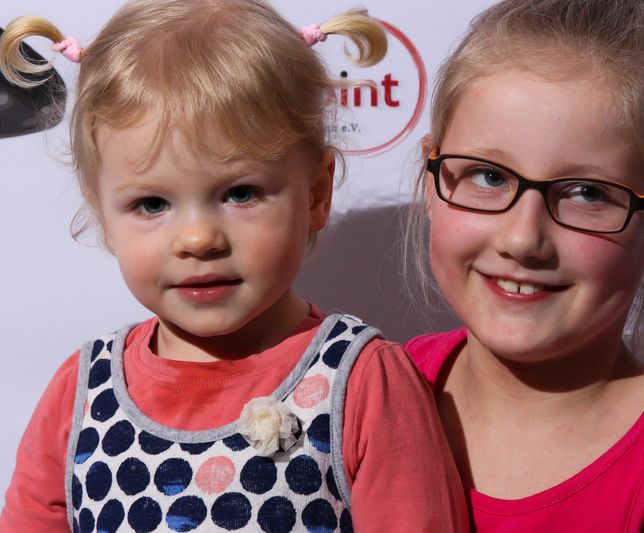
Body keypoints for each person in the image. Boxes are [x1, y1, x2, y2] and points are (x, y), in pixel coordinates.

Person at [0, 1, 467, 531]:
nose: (198, 239)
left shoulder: (361, 383)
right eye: (152, 204)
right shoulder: (83, 394)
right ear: (104, 215)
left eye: (240, 193)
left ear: (317, 194)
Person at [403, 0, 644, 530]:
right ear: (432, 183)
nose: (523, 239)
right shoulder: (353, 396)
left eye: (587, 192)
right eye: (488, 176)